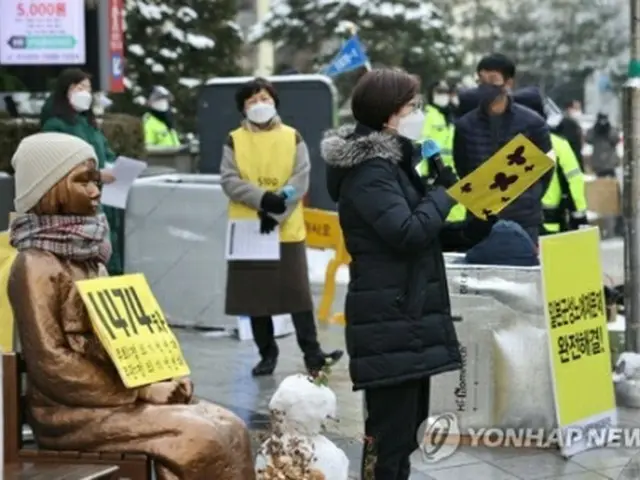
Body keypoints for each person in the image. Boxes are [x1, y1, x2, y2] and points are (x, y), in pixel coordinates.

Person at [8, 132, 255, 480]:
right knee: (200, 436)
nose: (96, 191)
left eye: (96, 180)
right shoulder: (35, 265)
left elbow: (126, 337)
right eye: (82, 182)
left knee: (231, 426)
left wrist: (167, 374)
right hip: (68, 410)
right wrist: (139, 390)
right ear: (48, 188)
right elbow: (51, 363)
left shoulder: (90, 257)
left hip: (112, 397)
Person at [322, 69, 494, 480]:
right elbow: (406, 231)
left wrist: (473, 226)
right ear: (387, 115)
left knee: (403, 439)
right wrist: (443, 192)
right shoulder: (370, 170)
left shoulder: (393, 163)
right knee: (388, 441)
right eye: (410, 107)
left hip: (407, 314)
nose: (417, 113)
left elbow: (421, 233)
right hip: (390, 317)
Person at [220, 77, 343, 377]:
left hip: (286, 228)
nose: (259, 105)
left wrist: (275, 210)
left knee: (297, 294)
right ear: (243, 107)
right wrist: (263, 199)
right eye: (252, 101)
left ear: (274, 101)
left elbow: (300, 178)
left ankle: (312, 354)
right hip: (249, 228)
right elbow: (229, 180)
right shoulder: (234, 139)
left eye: (264, 98)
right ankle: (266, 353)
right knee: (255, 297)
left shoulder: (293, 136)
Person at [452, 53, 553, 243]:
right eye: (481, 80)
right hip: (480, 218)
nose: (486, 87)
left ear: (508, 83)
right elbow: (463, 167)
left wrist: (528, 197)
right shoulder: (465, 126)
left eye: (493, 80)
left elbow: (545, 169)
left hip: (524, 219)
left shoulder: (533, 123)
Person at [40, 68, 123, 276]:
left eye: (88, 88)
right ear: (66, 90)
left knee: (105, 258)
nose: (85, 93)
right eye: (80, 87)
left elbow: (107, 153)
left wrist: (116, 167)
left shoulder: (90, 125)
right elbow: (57, 167)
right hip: (74, 204)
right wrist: (95, 175)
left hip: (101, 201)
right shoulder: (55, 125)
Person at [513, 88, 588, 234]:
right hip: (550, 224)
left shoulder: (508, 146)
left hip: (514, 226)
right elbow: (574, 180)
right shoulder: (558, 144)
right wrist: (579, 216)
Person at [416, 80, 466, 222]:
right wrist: (428, 170)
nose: (443, 96)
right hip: (433, 174)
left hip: (454, 173)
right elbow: (421, 142)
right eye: (439, 92)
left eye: (446, 92)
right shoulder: (427, 115)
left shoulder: (451, 115)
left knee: (457, 214)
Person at [586, 113, 620, 178]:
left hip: (610, 161)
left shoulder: (611, 129)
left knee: (612, 182)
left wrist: (608, 130)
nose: (602, 123)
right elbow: (588, 139)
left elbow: (616, 139)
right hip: (599, 162)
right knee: (600, 182)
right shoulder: (594, 130)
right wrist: (596, 129)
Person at [556, 100, 585, 170]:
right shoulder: (568, 123)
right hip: (570, 158)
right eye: (576, 108)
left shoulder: (573, 123)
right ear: (569, 109)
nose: (578, 111)